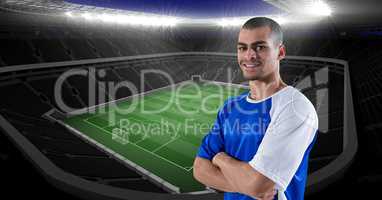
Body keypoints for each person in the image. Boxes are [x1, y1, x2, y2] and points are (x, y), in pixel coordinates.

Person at [193, 17, 319, 200]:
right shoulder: (229, 108)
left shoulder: (294, 107)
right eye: (242, 48)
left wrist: (220, 158)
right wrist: (248, 187)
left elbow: (259, 185)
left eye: (260, 47)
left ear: (280, 52)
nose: (249, 55)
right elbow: (199, 169)